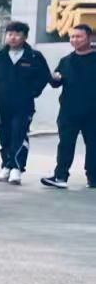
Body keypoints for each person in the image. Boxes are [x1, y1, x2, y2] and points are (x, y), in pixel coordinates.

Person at [0, 20, 52, 184]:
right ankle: (6, 165)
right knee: (3, 135)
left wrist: (33, 92)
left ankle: (16, 168)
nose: (13, 38)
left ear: (25, 37)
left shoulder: (34, 56)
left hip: (23, 104)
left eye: (17, 34)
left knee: (19, 134)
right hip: (1, 103)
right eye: (10, 34)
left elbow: (44, 77)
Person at [42, 22, 95, 190]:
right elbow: (56, 83)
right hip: (69, 110)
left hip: (93, 111)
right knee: (65, 144)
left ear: (89, 38)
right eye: (72, 37)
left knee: (93, 145)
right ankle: (60, 176)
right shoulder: (66, 61)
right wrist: (54, 78)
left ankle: (93, 177)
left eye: (79, 36)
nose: (75, 40)